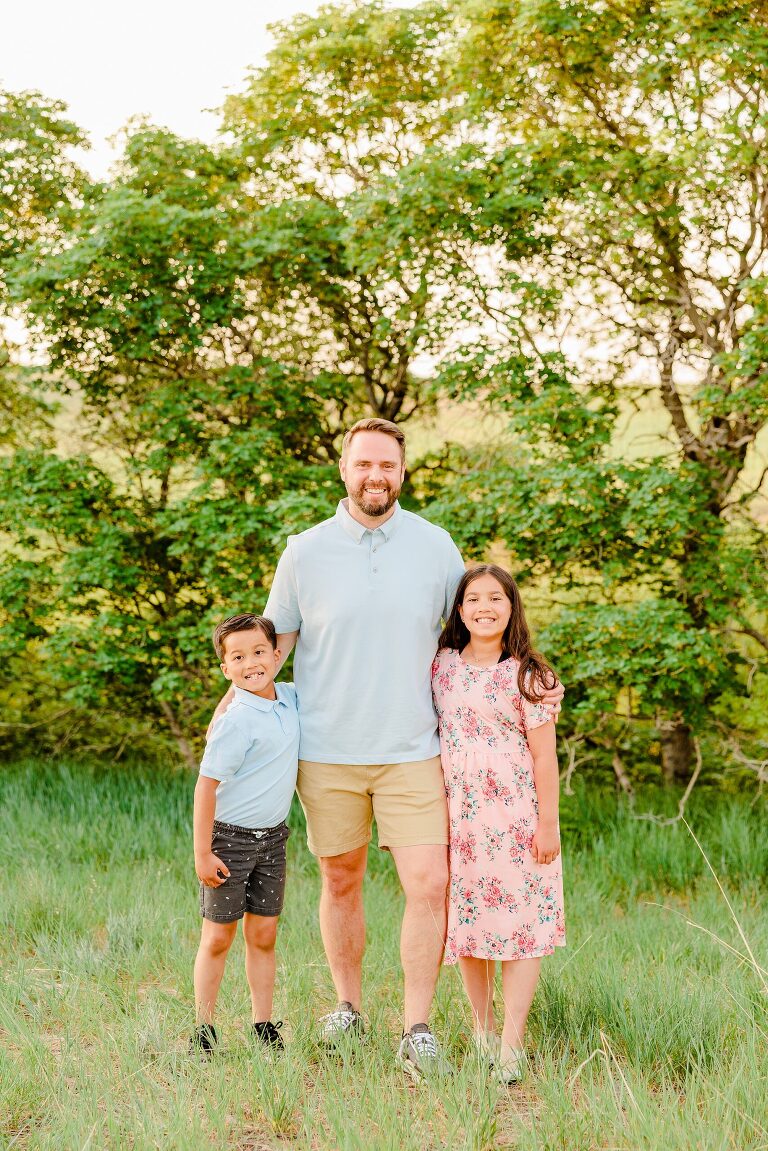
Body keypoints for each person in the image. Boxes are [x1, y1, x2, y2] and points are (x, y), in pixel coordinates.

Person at [209, 418, 563, 1078]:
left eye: (388, 465)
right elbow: (273, 646)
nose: (376, 475)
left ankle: (417, 1026)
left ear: (402, 472)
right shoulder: (304, 551)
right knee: (340, 879)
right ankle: (348, 1006)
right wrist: (232, 704)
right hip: (327, 751)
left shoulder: (435, 546)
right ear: (344, 470)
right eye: (364, 464)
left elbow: (474, 624)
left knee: (430, 884)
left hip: (414, 749)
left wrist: (517, 689)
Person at [431, 564, 566, 1084]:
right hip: (459, 819)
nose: (484, 607)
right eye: (473, 599)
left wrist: (548, 824)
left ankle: (512, 1043)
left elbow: (544, 757)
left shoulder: (530, 675)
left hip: (516, 817)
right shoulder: (441, 665)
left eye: (495, 598)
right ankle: (483, 1031)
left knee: (521, 927)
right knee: (469, 926)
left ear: (512, 607)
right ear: (459, 610)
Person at [191, 613, 299, 1056]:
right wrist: (202, 853)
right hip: (229, 841)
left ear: (277, 655)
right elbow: (205, 787)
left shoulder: (291, 698)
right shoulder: (234, 720)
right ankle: (203, 1029)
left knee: (264, 935)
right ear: (225, 669)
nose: (250, 663)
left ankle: (263, 1024)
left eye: (258, 652)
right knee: (219, 937)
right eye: (237, 657)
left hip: (273, 841)